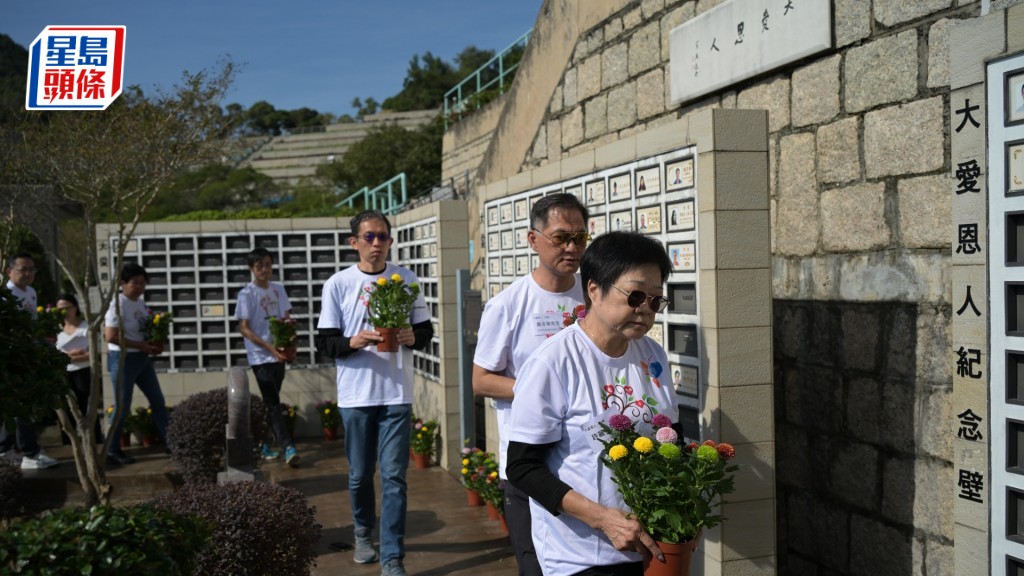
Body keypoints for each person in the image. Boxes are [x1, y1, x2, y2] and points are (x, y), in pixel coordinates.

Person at [506, 231, 677, 576]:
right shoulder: (553, 362)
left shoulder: (653, 356)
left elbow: (672, 437)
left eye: (655, 300)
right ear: (595, 290)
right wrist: (603, 520)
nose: (645, 309)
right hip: (579, 557)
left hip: (647, 547)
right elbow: (523, 468)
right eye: (635, 296)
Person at [473, 193, 590, 576]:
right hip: (529, 464)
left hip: (584, 465)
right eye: (560, 238)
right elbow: (481, 380)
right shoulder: (508, 304)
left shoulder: (594, 295)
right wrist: (543, 392)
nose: (571, 247)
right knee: (536, 567)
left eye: (579, 237)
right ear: (533, 239)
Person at [315, 210, 433, 576]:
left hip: (396, 394)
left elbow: (425, 332)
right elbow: (326, 343)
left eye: (383, 236)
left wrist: (413, 337)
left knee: (394, 477)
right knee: (360, 475)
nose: (377, 243)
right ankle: (363, 533)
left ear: (390, 241)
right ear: (354, 243)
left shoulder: (406, 279)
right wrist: (353, 341)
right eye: (369, 237)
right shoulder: (338, 284)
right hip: (356, 397)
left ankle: (393, 556)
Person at [235, 247, 299, 466]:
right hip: (260, 356)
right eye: (259, 265)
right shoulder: (246, 294)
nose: (265, 269)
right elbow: (244, 328)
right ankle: (288, 447)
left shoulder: (278, 289)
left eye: (268, 265)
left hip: (279, 354)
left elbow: (287, 320)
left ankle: (261, 443)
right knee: (273, 403)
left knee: (271, 402)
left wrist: (290, 346)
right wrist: (269, 348)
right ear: (251, 268)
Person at [105, 262, 170, 466]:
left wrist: (154, 343)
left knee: (158, 401)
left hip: (141, 359)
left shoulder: (140, 304)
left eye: (143, 283)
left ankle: (172, 442)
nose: (139, 287)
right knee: (122, 406)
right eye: (135, 282)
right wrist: (140, 345)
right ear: (123, 283)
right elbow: (110, 336)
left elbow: (146, 330)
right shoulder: (117, 304)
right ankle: (111, 450)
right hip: (123, 359)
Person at [3, 253, 59, 469]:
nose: (28, 274)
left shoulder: (31, 292)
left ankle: (27, 450)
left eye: (31, 269)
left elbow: (31, 326)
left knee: (25, 405)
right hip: (11, 357)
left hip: (26, 356)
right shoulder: (5, 293)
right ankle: (22, 451)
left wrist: (40, 340)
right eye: (23, 269)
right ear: (9, 271)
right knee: (17, 406)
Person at [55, 293, 103, 442]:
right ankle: (69, 444)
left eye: (67, 308)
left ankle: (94, 441)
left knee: (87, 408)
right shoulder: (57, 329)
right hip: (64, 374)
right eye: (60, 309)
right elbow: (55, 355)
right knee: (67, 411)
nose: (64, 312)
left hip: (84, 372)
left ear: (75, 307)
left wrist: (70, 356)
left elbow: (94, 352)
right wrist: (72, 355)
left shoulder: (87, 327)